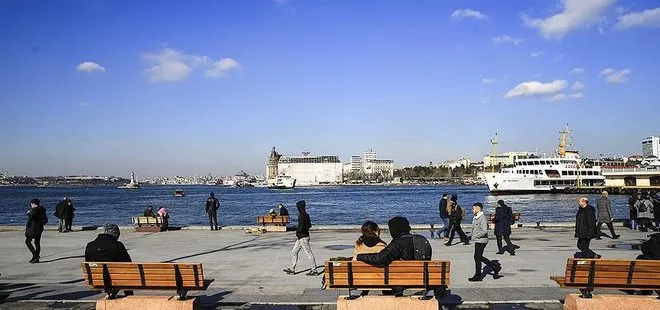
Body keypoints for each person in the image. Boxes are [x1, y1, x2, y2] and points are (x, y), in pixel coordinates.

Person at [357, 216, 417, 297]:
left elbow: (381, 259)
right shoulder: (420, 239)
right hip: (420, 277)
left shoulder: (398, 243)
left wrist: (360, 257)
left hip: (401, 279)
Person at [85, 223, 133, 297]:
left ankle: (111, 294)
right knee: (127, 273)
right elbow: (128, 263)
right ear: (115, 234)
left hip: (96, 279)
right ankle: (130, 297)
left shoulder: (90, 245)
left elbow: (88, 261)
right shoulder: (117, 245)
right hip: (116, 278)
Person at [284, 200, 320, 276]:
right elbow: (309, 226)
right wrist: (303, 230)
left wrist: (298, 231)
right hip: (302, 237)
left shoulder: (301, 216)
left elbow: (300, 227)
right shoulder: (306, 215)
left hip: (303, 237)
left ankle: (314, 270)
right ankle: (292, 268)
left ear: (299, 207)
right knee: (294, 251)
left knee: (309, 253)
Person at [352, 221, 387, 297]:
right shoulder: (382, 245)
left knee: (366, 270)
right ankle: (387, 293)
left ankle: (364, 293)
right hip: (380, 279)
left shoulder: (358, 244)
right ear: (375, 231)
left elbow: (354, 260)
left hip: (362, 278)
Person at [469, 202, 501, 281]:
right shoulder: (476, 217)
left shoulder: (482, 218)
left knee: (477, 257)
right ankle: (495, 267)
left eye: (473, 208)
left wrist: (476, 235)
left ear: (478, 208)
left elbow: (484, 230)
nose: (472, 210)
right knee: (478, 257)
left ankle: (478, 276)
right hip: (478, 240)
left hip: (481, 240)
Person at [25, 198, 48, 263]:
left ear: (33, 204)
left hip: (33, 228)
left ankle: (35, 255)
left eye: (31, 204)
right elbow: (46, 220)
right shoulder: (43, 209)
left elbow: (32, 218)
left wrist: (28, 214)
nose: (31, 205)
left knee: (27, 241)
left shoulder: (34, 210)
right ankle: (36, 258)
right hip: (40, 228)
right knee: (37, 242)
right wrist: (41, 224)